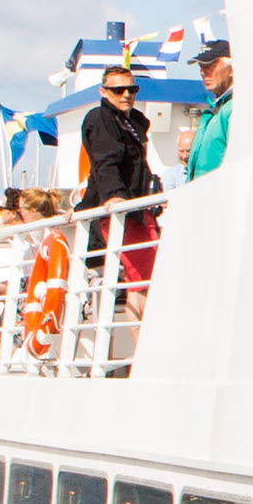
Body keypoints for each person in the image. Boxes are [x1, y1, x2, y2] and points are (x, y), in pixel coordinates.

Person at [77, 61, 162, 320]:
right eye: (118, 90)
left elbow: (137, 167)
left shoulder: (133, 121)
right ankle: (142, 341)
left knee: (145, 279)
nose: (126, 95)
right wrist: (115, 195)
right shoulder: (100, 118)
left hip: (137, 207)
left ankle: (142, 340)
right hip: (122, 211)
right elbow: (105, 161)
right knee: (142, 282)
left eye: (131, 89)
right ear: (103, 92)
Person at [182, 40, 237, 181]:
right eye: (201, 66)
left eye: (210, 65)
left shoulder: (235, 107)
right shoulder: (215, 109)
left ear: (232, 69)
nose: (203, 72)